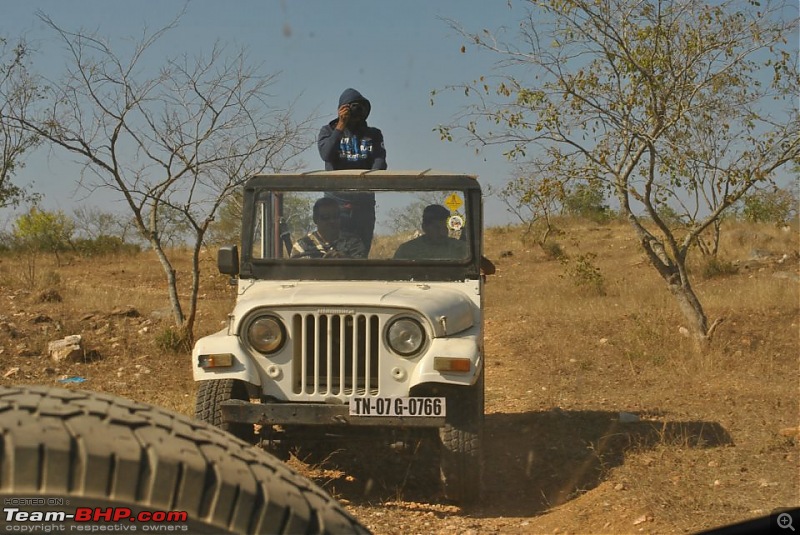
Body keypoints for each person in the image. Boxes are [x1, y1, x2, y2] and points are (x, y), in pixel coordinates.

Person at [318, 88, 387, 254]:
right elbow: (326, 155)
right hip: (335, 204)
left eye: (360, 107)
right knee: (334, 251)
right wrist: (340, 125)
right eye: (352, 107)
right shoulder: (327, 131)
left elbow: (380, 162)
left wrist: (367, 183)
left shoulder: (374, 134)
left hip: (363, 203)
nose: (356, 110)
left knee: (361, 252)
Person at [291, 198, 367, 259]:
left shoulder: (353, 243)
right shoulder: (302, 246)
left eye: (335, 216)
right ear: (315, 219)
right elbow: (296, 274)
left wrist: (344, 260)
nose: (332, 221)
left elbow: (362, 272)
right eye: (326, 217)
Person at [393, 204, 468, 260]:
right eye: (437, 228)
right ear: (424, 227)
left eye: (445, 227)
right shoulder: (407, 250)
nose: (442, 232)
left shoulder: (460, 248)